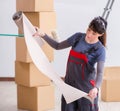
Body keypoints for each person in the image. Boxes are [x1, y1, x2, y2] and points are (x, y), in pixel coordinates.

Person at [33, 16, 107, 111]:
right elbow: (57, 46)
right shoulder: (78, 37)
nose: (89, 34)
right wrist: (43, 34)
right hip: (69, 86)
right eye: (89, 29)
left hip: (86, 90)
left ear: (100, 34)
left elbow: (100, 73)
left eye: (93, 33)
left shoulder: (100, 49)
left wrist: (96, 88)